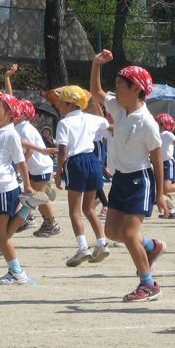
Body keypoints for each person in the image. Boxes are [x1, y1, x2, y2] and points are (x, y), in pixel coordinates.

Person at [89, 50, 169, 303]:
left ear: (136, 89)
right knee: (113, 232)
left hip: (139, 180)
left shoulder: (146, 122)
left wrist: (161, 193)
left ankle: (148, 285)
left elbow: (157, 158)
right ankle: (150, 246)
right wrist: (95, 65)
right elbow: (96, 92)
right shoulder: (119, 108)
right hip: (121, 178)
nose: (116, 91)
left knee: (129, 234)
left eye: (121, 86)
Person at [0, 80, 43, 285]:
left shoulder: (11, 134)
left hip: (5, 187)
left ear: (9, 114)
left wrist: (27, 185)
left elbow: (21, 162)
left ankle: (17, 272)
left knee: (1, 234)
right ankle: (26, 210)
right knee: (1, 232)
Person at [50, 84, 110, 267]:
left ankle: (83, 247)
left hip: (75, 163)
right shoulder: (91, 119)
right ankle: (102, 243)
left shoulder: (64, 123)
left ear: (71, 104)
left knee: (74, 211)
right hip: (93, 161)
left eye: (63, 102)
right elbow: (106, 125)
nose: (59, 105)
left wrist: (58, 173)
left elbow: (62, 150)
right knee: (89, 208)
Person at [14, 98, 60, 237]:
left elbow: (31, 150)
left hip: (40, 166)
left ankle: (50, 224)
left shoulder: (24, 128)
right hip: (36, 167)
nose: (13, 113)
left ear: (24, 114)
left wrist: (20, 166)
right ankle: (37, 220)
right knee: (34, 195)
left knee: (36, 197)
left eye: (17, 111)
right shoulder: (19, 127)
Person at [156, 113, 175, 218]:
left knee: (165, 188)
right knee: (160, 191)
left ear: (163, 124)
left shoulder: (167, 134)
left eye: (157, 122)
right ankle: (171, 211)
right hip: (160, 163)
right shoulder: (156, 135)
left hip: (168, 163)